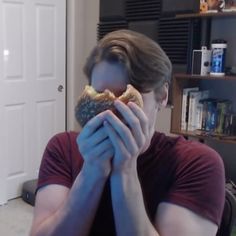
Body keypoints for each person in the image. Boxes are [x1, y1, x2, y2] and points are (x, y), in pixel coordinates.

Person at [30, 29, 225, 236]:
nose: (112, 114)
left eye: (127, 99)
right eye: (101, 98)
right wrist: (92, 171)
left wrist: (125, 171)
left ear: (163, 96)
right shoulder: (63, 148)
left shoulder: (196, 163)